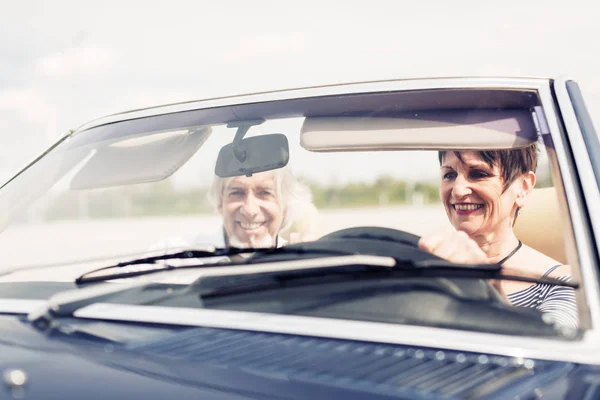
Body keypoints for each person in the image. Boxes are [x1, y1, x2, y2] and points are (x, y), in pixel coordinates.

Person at [418, 145, 578, 330]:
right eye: (449, 175)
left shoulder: (563, 284)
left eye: (479, 173)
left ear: (524, 187)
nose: (458, 191)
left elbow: (550, 347)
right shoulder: (422, 268)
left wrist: (488, 287)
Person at [205, 165, 319, 248]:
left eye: (265, 193)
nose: (250, 210)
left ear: (285, 206)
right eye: (236, 193)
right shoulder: (192, 261)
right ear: (220, 203)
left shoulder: (296, 262)